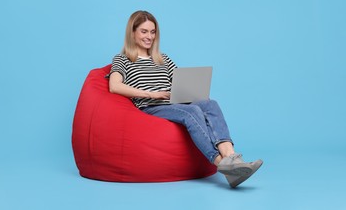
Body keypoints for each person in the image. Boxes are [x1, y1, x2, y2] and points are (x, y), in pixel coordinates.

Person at [108, 10, 263, 188]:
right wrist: (152, 94)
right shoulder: (123, 59)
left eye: (153, 32)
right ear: (132, 32)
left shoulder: (162, 59)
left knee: (210, 103)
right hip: (150, 106)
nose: (149, 36)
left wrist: (191, 91)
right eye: (144, 31)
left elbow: (180, 80)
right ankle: (222, 163)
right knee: (192, 111)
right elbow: (115, 86)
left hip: (173, 102)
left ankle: (232, 158)